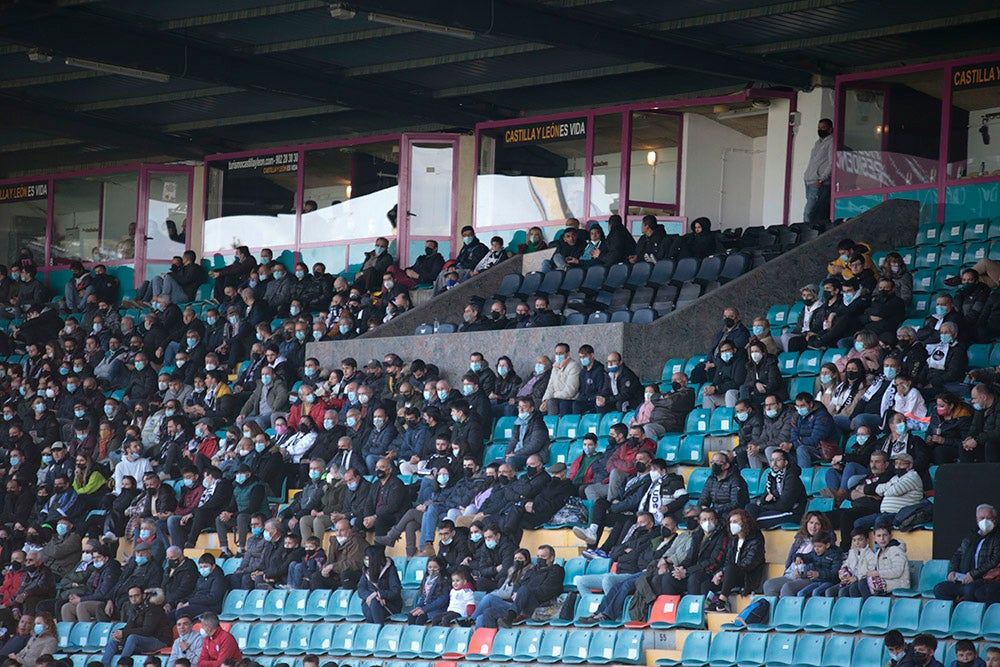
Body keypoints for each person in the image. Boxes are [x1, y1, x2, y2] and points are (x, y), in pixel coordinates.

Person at [933, 504, 1000, 602]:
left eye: (989, 518)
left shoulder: (997, 538)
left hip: (983, 579)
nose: (985, 521)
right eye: (982, 518)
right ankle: (954, 612)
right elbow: (958, 555)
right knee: (940, 589)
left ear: (995, 520)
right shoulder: (971, 537)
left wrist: (973, 574)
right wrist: (952, 571)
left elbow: (994, 560)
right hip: (963, 578)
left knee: (970, 590)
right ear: (977, 520)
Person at [764, 511, 833, 596]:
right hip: (791, 575)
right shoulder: (800, 539)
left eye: (817, 524)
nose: (813, 527)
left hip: (808, 577)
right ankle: (775, 608)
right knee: (769, 585)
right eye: (811, 523)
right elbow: (791, 557)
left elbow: (819, 563)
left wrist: (802, 574)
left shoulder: (825, 542)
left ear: (822, 526)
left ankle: (787, 609)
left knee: (788, 587)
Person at [495, 545, 564, 627]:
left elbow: (546, 590)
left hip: (538, 604)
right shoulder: (533, 570)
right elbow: (519, 583)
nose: (539, 559)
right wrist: (516, 592)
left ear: (551, 558)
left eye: (543, 556)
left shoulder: (556, 571)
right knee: (489, 610)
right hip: (519, 603)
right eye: (538, 556)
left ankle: (510, 618)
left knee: (525, 589)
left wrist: (526, 592)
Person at [101, 587, 172, 664]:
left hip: (159, 640)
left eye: (136, 595)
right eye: (131, 596)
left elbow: (147, 631)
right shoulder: (135, 608)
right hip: (143, 639)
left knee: (133, 638)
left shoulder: (153, 608)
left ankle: (122, 665)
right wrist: (118, 633)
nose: (133, 599)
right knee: (114, 638)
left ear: (144, 595)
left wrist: (124, 633)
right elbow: (129, 627)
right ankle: (103, 665)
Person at [746, 449, 806, 530]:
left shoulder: (792, 478)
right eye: (772, 460)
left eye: (778, 460)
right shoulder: (772, 476)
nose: (774, 463)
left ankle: (751, 539)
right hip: (775, 509)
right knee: (750, 507)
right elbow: (763, 498)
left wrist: (767, 503)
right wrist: (767, 500)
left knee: (753, 521)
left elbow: (784, 505)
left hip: (791, 513)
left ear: (786, 462)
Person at [356, 546, 402, 624]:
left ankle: (378, 629)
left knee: (372, 609)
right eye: (365, 559)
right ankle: (378, 630)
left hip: (389, 604)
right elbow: (361, 589)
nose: (366, 561)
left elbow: (395, 591)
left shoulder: (390, 570)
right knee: (373, 604)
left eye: (368, 559)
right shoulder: (366, 571)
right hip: (369, 603)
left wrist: (378, 594)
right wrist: (372, 596)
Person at [830, 528, 876, 598]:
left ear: (867, 540)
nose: (857, 543)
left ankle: (850, 608)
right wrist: (843, 573)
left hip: (859, 581)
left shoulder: (871, 555)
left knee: (843, 592)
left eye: (860, 540)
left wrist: (857, 578)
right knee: (829, 591)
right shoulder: (852, 552)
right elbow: (846, 564)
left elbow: (870, 571)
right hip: (849, 579)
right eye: (854, 540)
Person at [405, 556, 449, 625]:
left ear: (440, 568)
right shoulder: (426, 579)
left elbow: (442, 600)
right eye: (430, 567)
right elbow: (423, 597)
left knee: (420, 619)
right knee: (411, 615)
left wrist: (424, 609)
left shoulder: (444, 580)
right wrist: (418, 607)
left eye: (435, 567)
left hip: (436, 609)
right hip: (426, 608)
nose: (432, 569)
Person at [963, 383, 1000, 463]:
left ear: (984, 397)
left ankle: (992, 473)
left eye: (974, 398)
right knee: (964, 447)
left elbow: (997, 433)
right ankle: (967, 474)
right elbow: (975, 426)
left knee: (990, 445)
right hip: (983, 441)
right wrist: (970, 437)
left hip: (994, 444)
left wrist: (977, 440)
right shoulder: (980, 408)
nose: (972, 401)